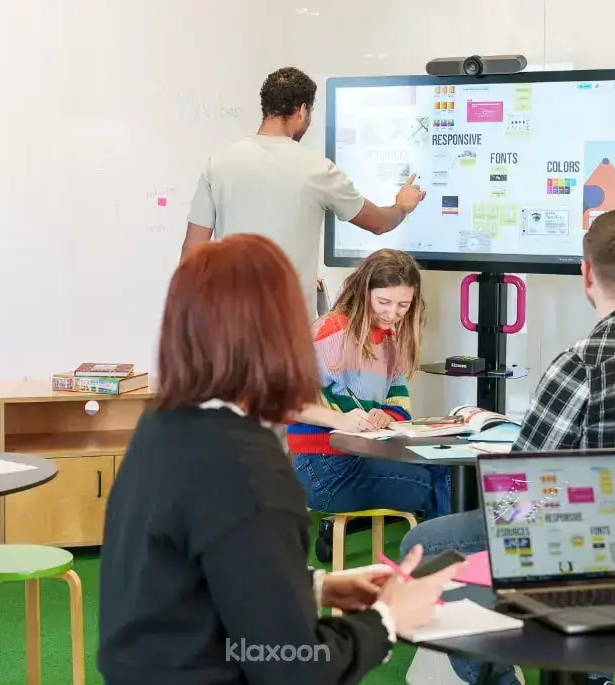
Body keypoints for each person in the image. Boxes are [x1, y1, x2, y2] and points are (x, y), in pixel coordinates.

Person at [98, 234, 462, 685]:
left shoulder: (161, 431)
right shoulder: (253, 474)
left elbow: (203, 577)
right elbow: (295, 667)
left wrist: (313, 585)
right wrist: (387, 619)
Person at [399, 209, 615, 685]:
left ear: (586, 273)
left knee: (422, 545)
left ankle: (500, 676)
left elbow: (517, 493)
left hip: (589, 550)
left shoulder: (583, 362)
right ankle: (591, 671)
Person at [182, 66, 428, 317]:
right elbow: (378, 223)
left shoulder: (219, 162)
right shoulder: (317, 169)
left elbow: (192, 253)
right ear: (301, 110)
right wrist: (401, 207)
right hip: (288, 328)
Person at [286, 248, 452, 523]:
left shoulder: (389, 340)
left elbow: (399, 404)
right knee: (441, 483)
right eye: (384, 302)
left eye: (403, 305)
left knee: (446, 469)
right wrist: (341, 419)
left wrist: (386, 415)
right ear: (365, 292)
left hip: (361, 456)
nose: (392, 314)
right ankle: (450, 559)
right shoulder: (332, 332)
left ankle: (445, 557)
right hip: (324, 469)